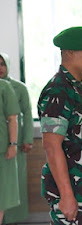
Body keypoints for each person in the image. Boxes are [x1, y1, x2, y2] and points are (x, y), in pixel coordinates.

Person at [37, 26, 82, 225]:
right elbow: (52, 146)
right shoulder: (58, 92)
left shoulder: (79, 89)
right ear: (70, 52)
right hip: (74, 192)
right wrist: (67, 195)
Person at [0, 52, 34, 224]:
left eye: (2, 64)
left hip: (16, 141)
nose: (0, 68)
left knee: (14, 182)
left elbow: (27, 114)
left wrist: (27, 138)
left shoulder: (19, 88)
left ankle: (12, 219)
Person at [0, 79, 20, 224]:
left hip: (1, 150)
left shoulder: (4, 87)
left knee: (2, 195)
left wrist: (13, 144)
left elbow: (12, 118)